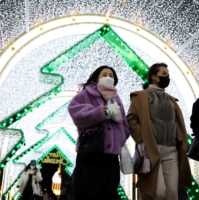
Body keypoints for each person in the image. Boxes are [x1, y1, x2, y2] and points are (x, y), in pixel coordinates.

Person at [127, 63, 192, 200]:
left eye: (167, 74)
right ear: (154, 77)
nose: (167, 77)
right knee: (158, 191)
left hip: (171, 149)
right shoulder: (141, 97)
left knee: (173, 192)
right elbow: (131, 118)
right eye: (163, 74)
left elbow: (176, 123)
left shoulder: (171, 100)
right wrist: (142, 138)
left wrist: (180, 140)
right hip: (151, 149)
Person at [68, 66, 130, 200]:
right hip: (92, 150)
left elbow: (124, 123)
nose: (108, 77)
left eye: (111, 75)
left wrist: (120, 139)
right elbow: (76, 113)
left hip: (111, 155)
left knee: (110, 191)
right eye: (104, 74)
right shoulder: (85, 94)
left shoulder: (116, 98)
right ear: (97, 77)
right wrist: (101, 112)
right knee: (88, 191)